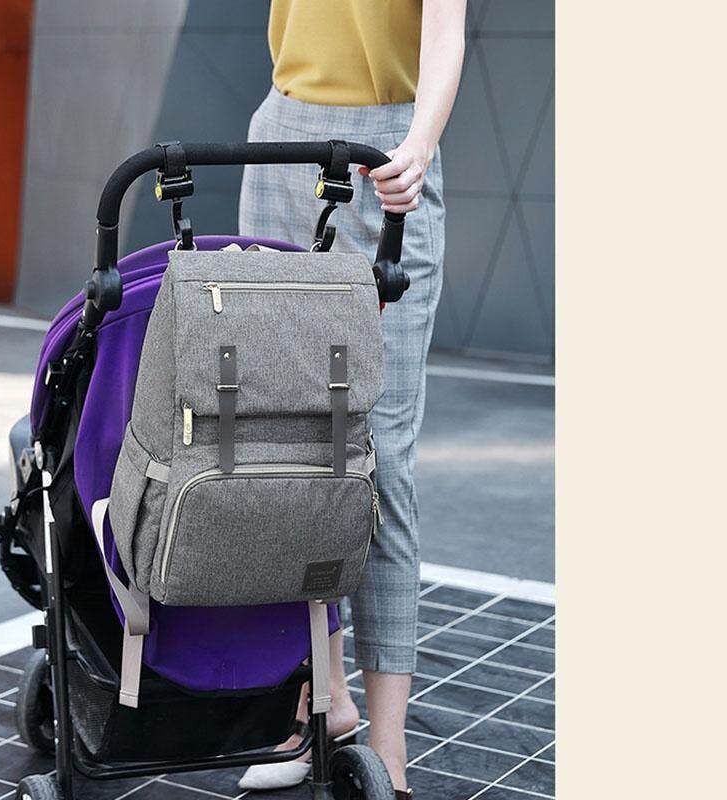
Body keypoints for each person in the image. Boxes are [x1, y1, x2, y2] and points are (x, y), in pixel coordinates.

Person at [238, 1, 466, 795]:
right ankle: (323, 698)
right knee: (294, 447)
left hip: (391, 152)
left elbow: (445, 32)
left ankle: (390, 748)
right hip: (280, 139)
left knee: (381, 460)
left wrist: (419, 146)